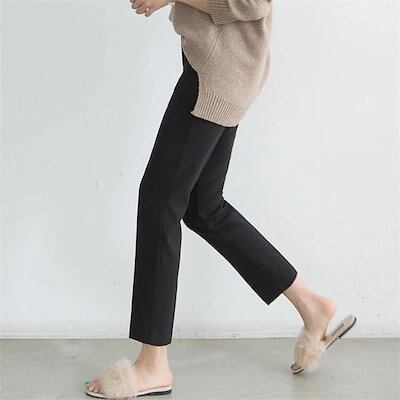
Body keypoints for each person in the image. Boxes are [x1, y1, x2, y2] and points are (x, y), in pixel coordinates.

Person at [84, 0, 356, 398]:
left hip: (219, 70)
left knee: (161, 201)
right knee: (203, 207)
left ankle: (153, 363)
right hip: (219, 66)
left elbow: (250, 3)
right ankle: (311, 305)